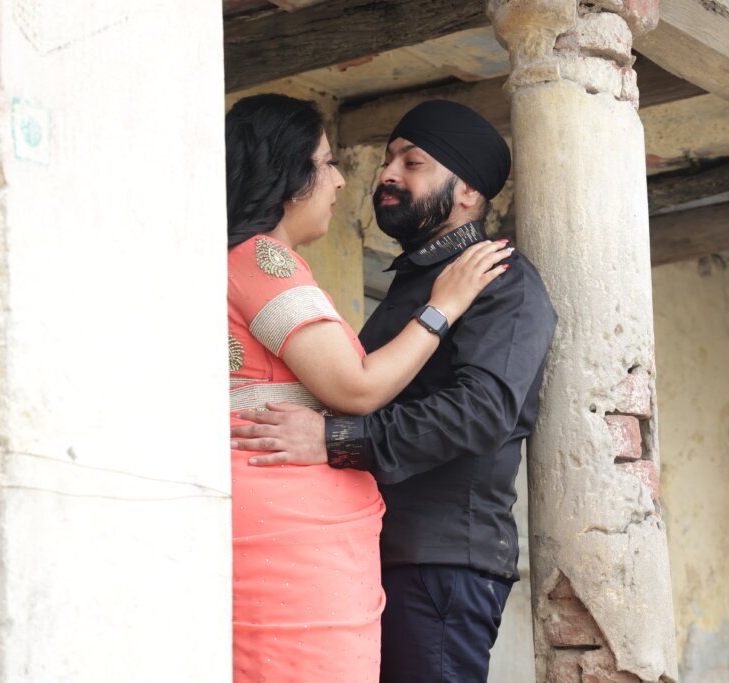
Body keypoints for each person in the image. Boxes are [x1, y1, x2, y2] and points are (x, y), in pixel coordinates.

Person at [232, 99, 558, 682]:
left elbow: (480, 413)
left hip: (441, 556)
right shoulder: (415, 287)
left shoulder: (499, 281)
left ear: (468, 191)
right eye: (387, 160)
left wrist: (335, 440)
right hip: (374, 551)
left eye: (413, 163)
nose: (386, 174)